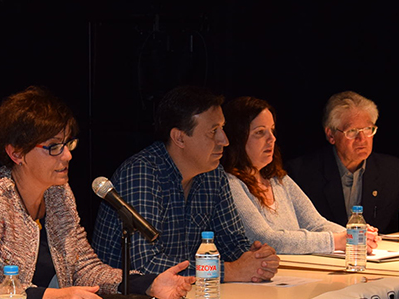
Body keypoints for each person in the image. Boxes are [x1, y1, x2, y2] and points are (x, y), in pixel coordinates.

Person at [0, 87, 193, 299]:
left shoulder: (58, 193)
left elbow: (85, 268)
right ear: (16, 152)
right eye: (54, 146)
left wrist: (147, 284)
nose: (67, 155)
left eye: (68, 143)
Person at [92, 86, 279, 282]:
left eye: (222, 128)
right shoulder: (142, 173)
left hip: (180, 297)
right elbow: (145, 266)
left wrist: (256, 258)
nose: (224, 140)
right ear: (180, 138)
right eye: (214, 131)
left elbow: (232, 244)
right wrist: (230, 271)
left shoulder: (213, 174)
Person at [222, 96, 379, 254]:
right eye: (260, 132)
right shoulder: (230, 183)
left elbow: (316, 224)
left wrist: (356, 234)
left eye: (272, 130)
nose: (272, 138)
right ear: (237, 138)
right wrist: (338, 240)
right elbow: (265, 239)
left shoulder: (278, 179)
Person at [286, 91, 399, 234]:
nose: (362, 139)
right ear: (331, 135)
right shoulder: (301, 172)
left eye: (368, 129)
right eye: (352, 131)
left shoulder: (390, 169)